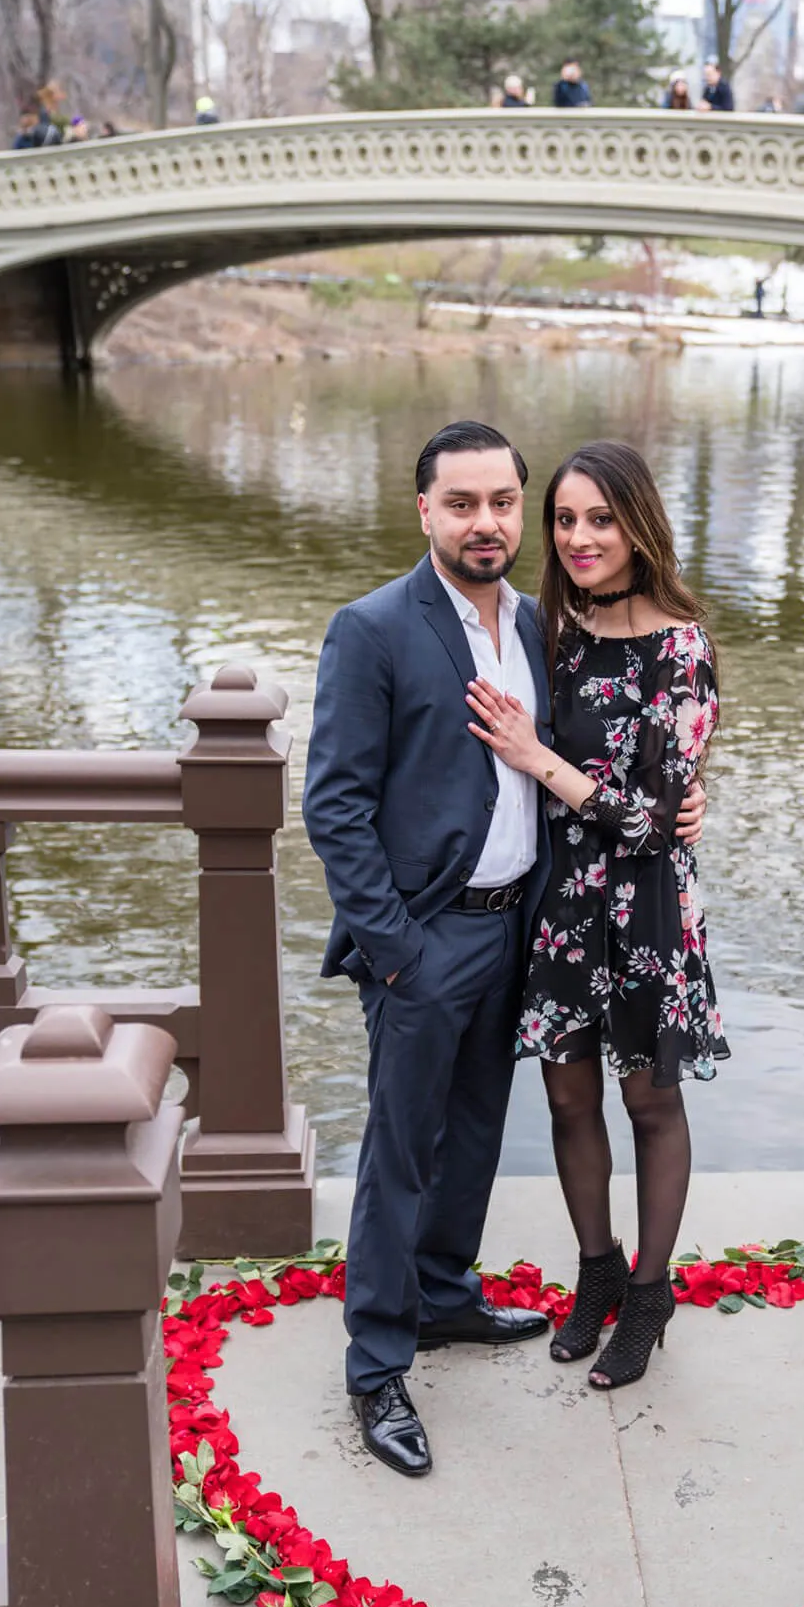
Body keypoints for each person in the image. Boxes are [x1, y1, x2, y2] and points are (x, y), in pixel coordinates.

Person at [303, 422, 705, 1477]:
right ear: (424, 511)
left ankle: (443, 1297)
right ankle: (378, 1365)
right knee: (399, 1151)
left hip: (525, 926)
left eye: (502, 504)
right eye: (463, 502)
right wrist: (395, 949)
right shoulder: (374, 628)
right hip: (425, 938)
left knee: (475, 1130)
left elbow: (615, 748)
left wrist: (681, 803)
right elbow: (335, 807)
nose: (488, 523)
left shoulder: (541, 627)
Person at [464, 441, 728, 1391]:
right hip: (565, 904)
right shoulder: (552, 630)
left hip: (646, 910)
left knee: (649, 1101)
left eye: (601, 519)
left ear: (639, 523)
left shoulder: (682, 646)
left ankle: (650, 1293)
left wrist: (542, 761)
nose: (580, 538)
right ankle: (598, 1268)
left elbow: (656, 823)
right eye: (566, 520)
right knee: (567, 1097)